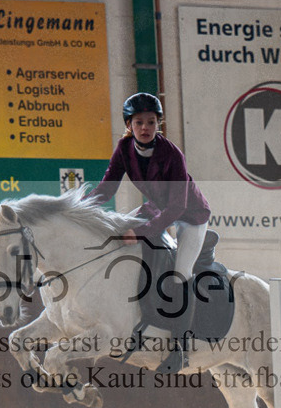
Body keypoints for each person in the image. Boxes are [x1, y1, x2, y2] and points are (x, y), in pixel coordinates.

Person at [85, 92, 211, 373]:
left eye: (151, 122)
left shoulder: (172, 155)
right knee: (119, 236)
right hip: (157, 208)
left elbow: (178, 207)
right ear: (129, 124)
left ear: (158, 125)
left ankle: (180, 348)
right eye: (139, 122)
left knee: (181, 274)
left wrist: (140, 232)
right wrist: (78, 208)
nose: (145, 128)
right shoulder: (124, 148)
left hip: (190, 217)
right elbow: (107, 188)